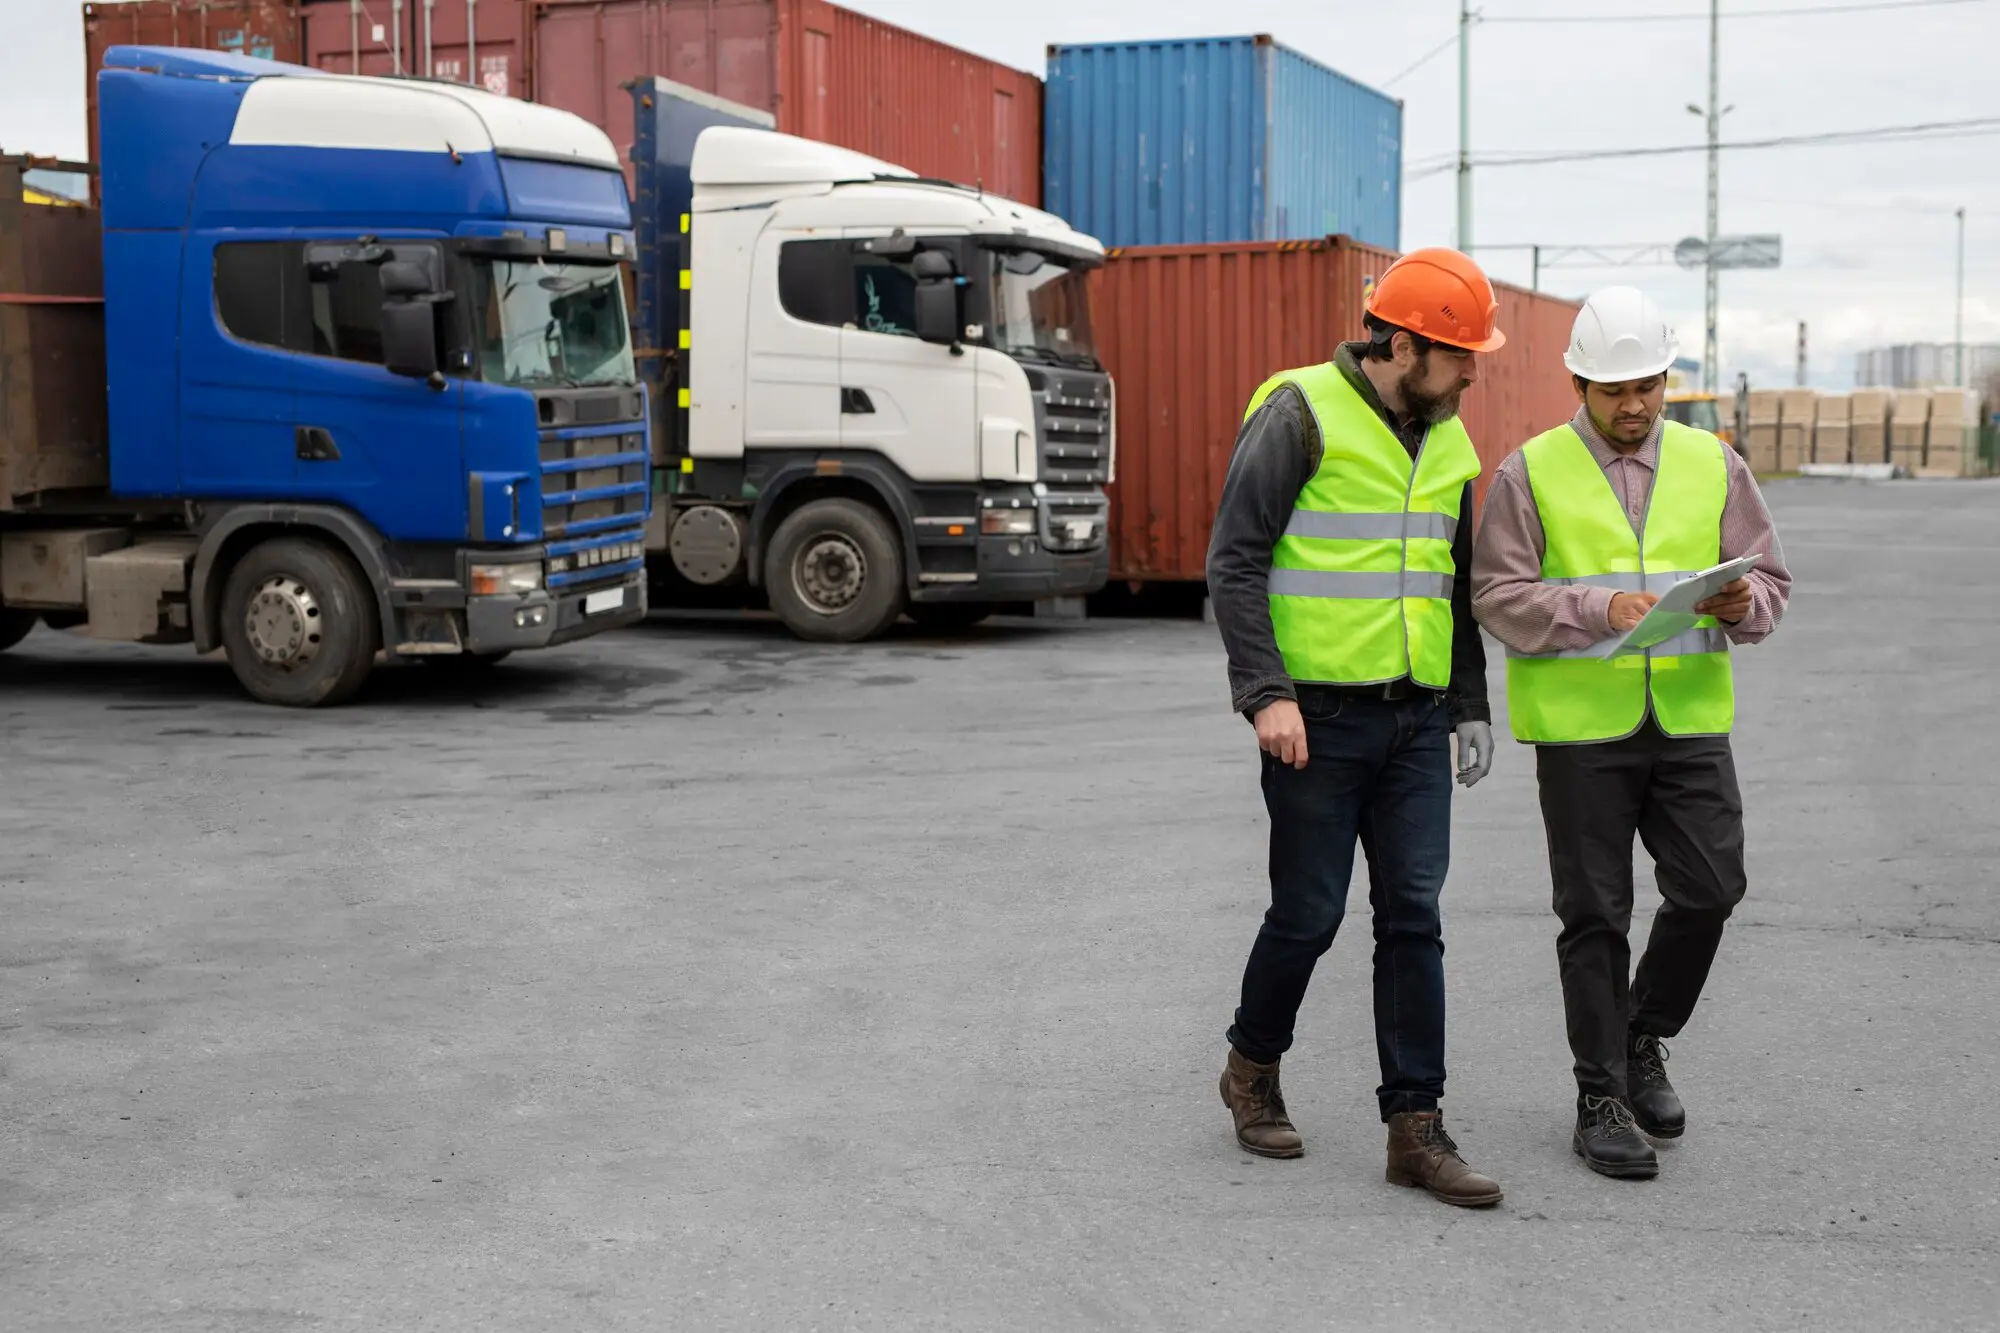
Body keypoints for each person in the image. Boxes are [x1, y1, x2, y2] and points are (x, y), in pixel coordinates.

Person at [1205, 247, 1506, 1209]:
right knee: (1310, 912)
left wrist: (1467, 701)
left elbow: (1451, 589)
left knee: (1414, 916)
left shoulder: (1451, 440)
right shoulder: (1299, 412)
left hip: (1415, 719)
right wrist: (1267, 691)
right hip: (1317, 720)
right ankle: (1251, 1066)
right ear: (1404, 344)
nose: (1474, 371)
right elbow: (1235, 561)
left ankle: (1414, 1127)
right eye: (1459, 355)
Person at [1470, 286, 1792, 1180]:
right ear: (1578, 382)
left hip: (1687, 720)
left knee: (1710, 890)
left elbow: (1772, 584)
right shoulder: (1527, 473)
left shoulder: (1715, 464)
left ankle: (1643, 1034)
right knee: (1594, 916)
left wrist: (1742, 601)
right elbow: (1496, 595)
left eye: (1647, 383)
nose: (1634, 404)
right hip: (1583, 734)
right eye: (1614, 389)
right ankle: (1599, 1095)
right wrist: (1595, 606)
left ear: (1666, 376)